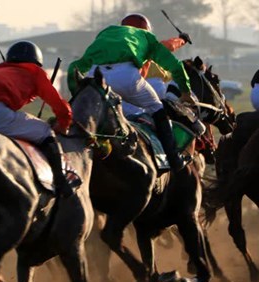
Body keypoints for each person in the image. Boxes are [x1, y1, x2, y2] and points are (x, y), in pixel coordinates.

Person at [67, 13, 194, 172]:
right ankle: (174, 159)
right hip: (126, 78)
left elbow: (75, 68)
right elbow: (174, 63)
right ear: (147, 30)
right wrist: (185, 90)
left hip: (95, 76)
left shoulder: (107, 32)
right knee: (157, 108)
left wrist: (77, 93)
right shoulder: (146, 37)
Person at [0, 41, 75, 198]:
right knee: (45, 131)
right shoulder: (35, 71)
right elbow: (57, 103)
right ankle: (61, 181)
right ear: (36, 61)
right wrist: (64, 123)